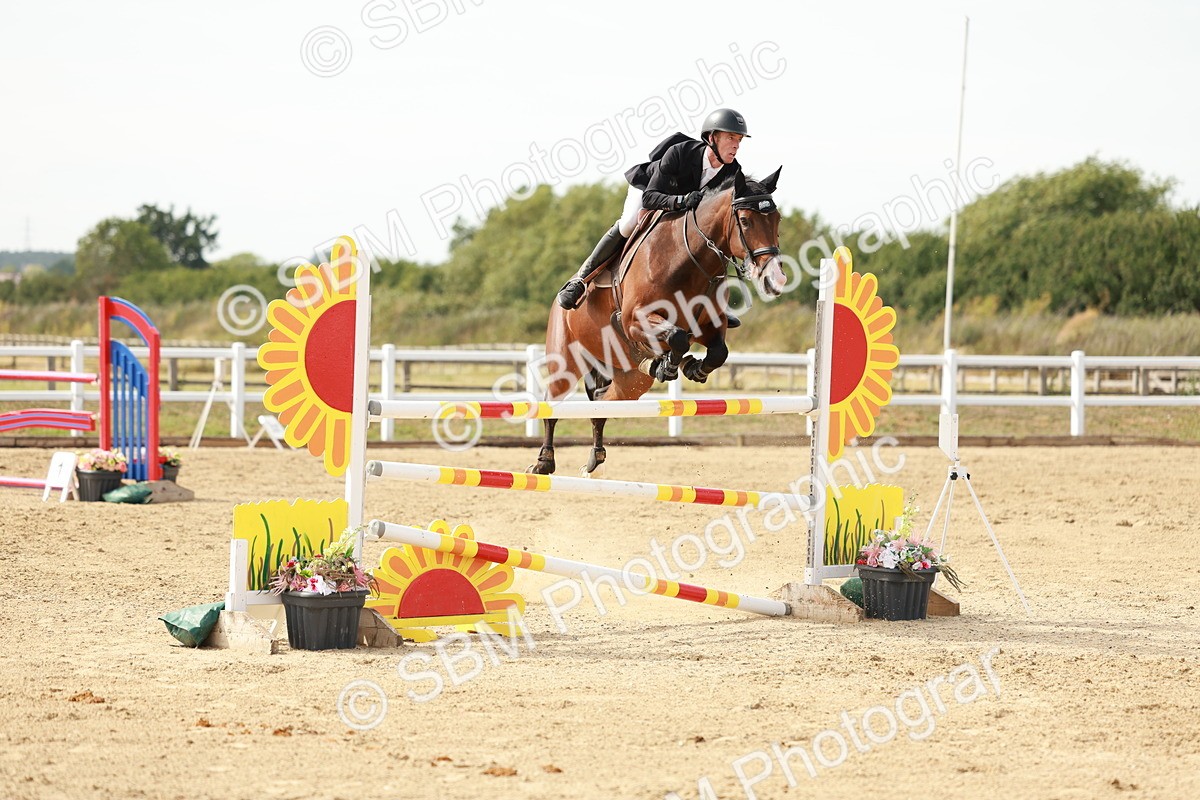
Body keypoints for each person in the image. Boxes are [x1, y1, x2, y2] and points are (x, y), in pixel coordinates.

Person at [556, 108, 751, 311]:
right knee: (629, 223)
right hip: (649, 188)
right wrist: (681, 201)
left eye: (739, 140)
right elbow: (650, 198)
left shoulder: (733, 171)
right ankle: (580, 281)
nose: (736, 145)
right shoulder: (681, 152)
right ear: (712, 137)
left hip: (684, 207)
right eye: (731, 138)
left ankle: (715, 306)